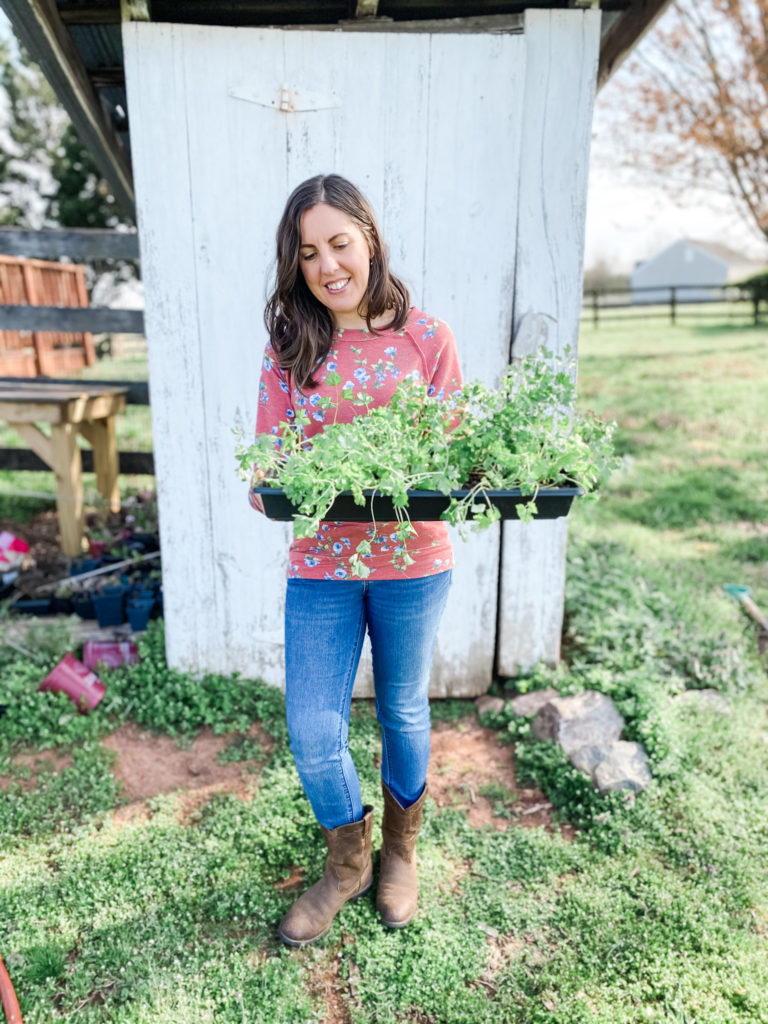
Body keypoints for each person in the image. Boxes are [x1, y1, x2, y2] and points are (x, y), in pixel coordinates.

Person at [252, 173, 463, 947]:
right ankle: (348, 864)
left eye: (339, 243)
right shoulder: (290, 346)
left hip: (414, 559)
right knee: (313, 729)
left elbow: (456, 451)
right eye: (308, 252)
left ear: (369, 238)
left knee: (403, 707)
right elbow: (268, 458)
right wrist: (269, 482)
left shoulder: (428, 339)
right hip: (320, 564)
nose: (327, 265)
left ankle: (400, 852)